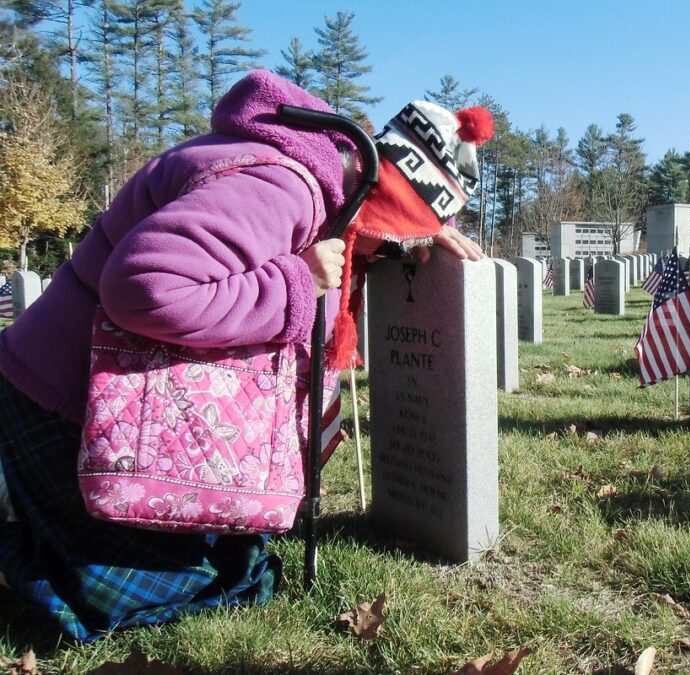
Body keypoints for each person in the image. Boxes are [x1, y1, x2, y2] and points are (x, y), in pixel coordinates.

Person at [0, 70, 488, 640]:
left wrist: (433, 228)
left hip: (129, 412)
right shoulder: (282, 187)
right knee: (171, 591)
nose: (390, 252)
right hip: (66, 408)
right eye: (397, 235)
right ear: (372, 200)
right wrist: (298, 282)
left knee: (242, 560)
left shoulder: (322, 174)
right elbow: (144, 287)